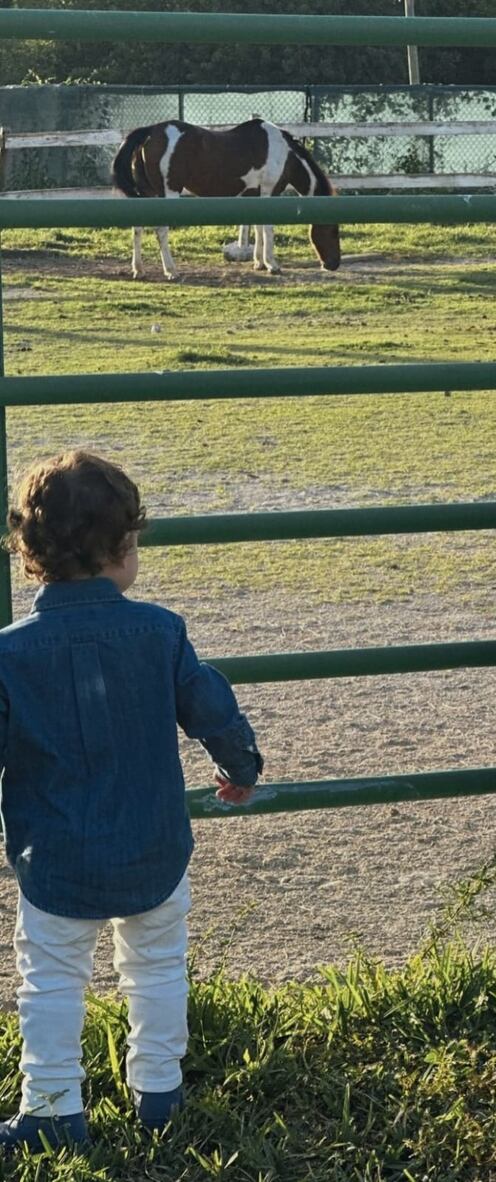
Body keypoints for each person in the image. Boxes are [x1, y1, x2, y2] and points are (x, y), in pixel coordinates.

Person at [0, 451, 263, 1151]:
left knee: (51, 980)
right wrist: (241, 765)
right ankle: (157, 1094)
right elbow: (211, 709)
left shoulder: (8, 654)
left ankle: (53, 1107)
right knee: (155, 967)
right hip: (153, 847)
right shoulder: (160, 631)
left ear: (30, 556)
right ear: (122, 548)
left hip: (54, 855)